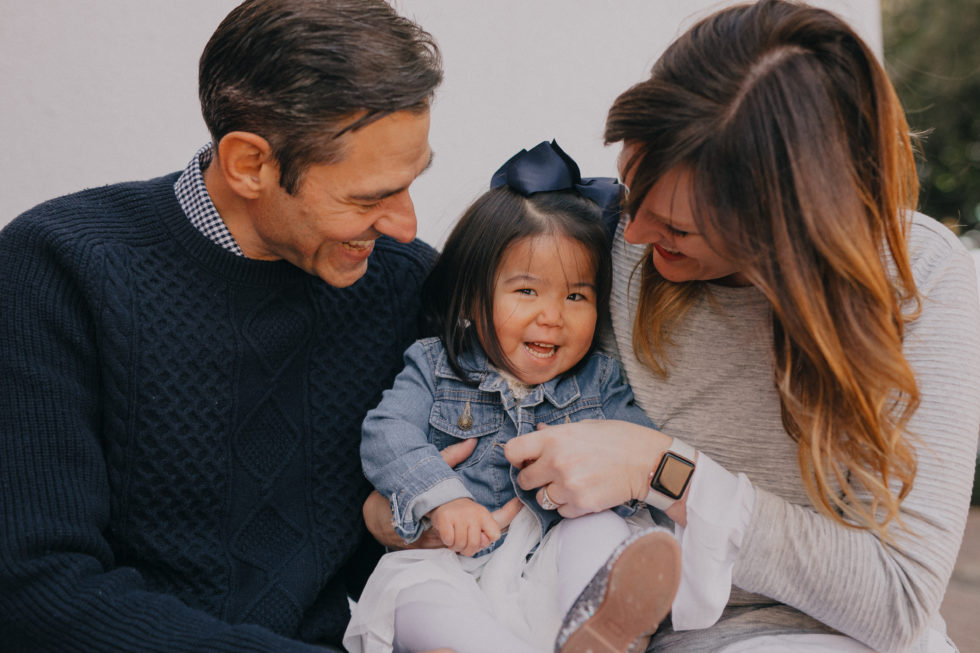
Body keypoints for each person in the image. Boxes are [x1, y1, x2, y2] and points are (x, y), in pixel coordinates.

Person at [365, 1, 980, 651]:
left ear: (787, 230)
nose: (633, 234)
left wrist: (665, 469)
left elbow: (899, 599)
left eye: (679, 229)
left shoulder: (921, 280)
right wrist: (403, 511)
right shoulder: (614, 241)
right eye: (633, 189)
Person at [0, 0, 442, 651]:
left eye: (410, 183)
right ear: (249, 165)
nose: (404, 224)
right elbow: (37, 586)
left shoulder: (408, 281)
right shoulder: (59, 268)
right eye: (369, 196)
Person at [345, 142, 681, 653]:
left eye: (576, 296)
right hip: (450, 560)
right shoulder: (437, 365)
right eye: (527, 291)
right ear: (474, 297)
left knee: (596, 533)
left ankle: (605, 627)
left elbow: (645, 454)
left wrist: (619, 478)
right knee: (414, 596)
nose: (553, 315)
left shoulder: (599, 381)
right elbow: (387, 434)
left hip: (549, 561)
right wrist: (442, 496)